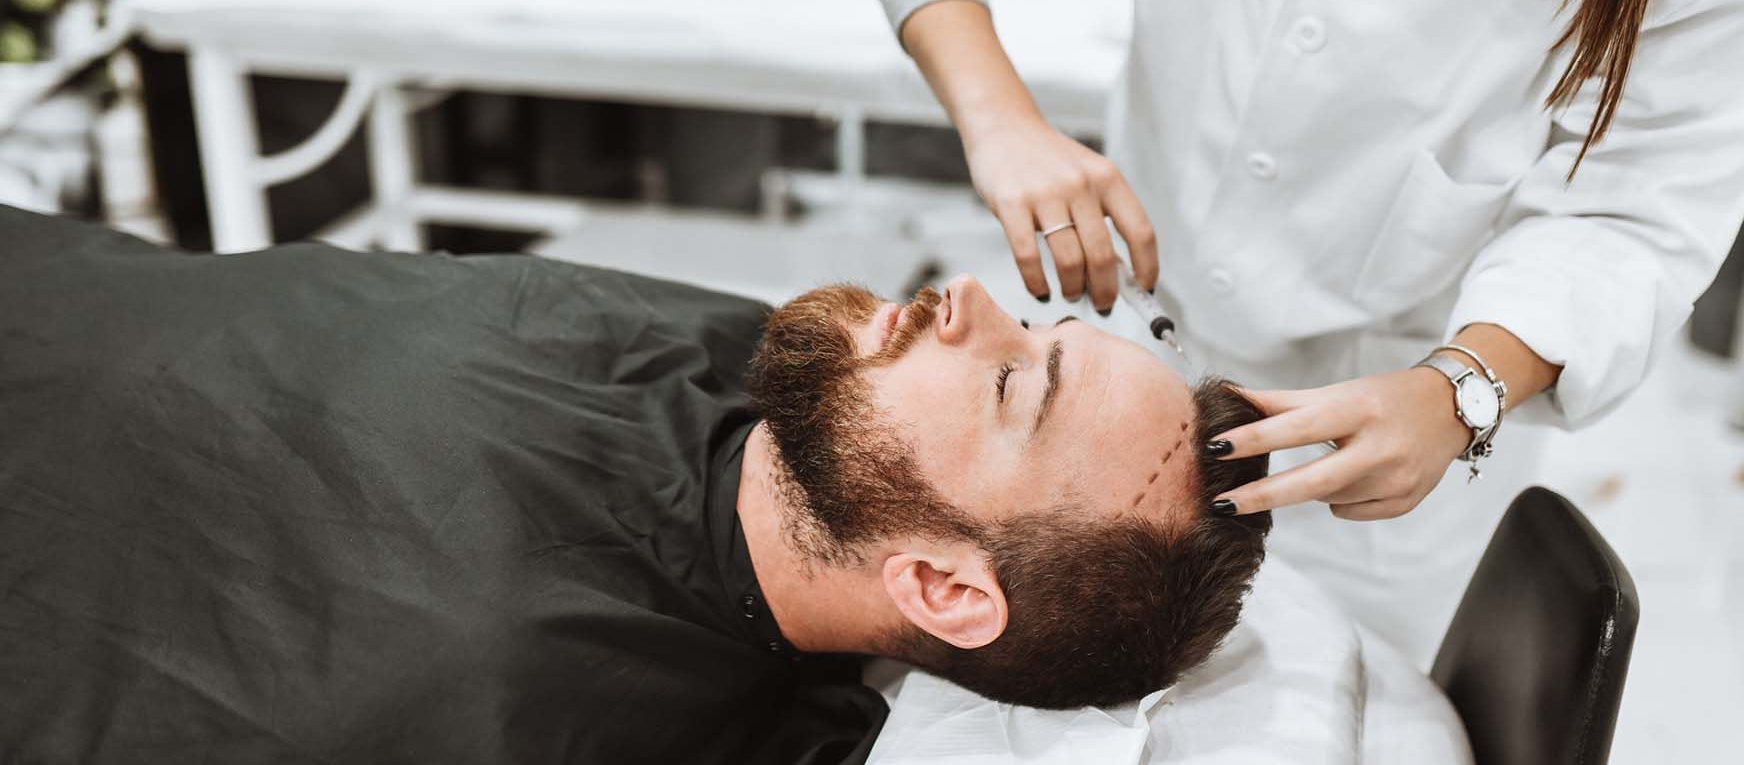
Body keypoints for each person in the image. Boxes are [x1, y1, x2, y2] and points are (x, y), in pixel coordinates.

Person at [847, 0, 1744, 655]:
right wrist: (1002, 125)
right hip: (1144, 317)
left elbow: (1634, 213)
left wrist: (1457, 391)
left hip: (1393, 440)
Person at [0, 208, 1269, 764]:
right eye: (1036, 330)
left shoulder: (534, 701)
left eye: (1010, 386)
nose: (972, 300)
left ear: (940, 586)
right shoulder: (793, 376)